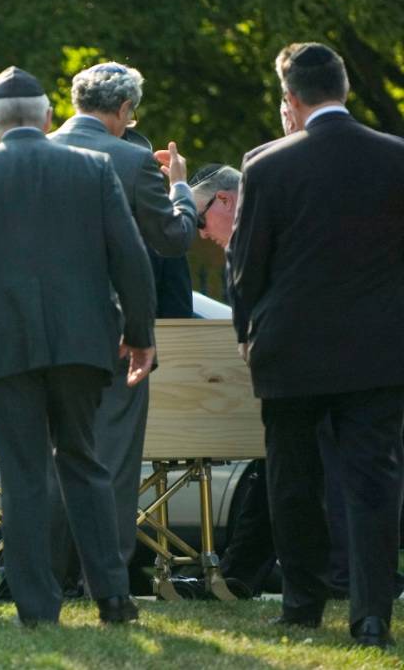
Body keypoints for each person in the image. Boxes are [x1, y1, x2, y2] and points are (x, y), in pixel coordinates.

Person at [0, 66, 155, 626]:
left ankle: (36, 608)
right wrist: (140, 336)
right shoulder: (95, 167)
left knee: (24, 474)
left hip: (3, 349)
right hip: (83, 345)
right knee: (86, 464)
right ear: (48, 118)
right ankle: (113, 596)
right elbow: (131, 258)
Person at [227, 42, 404, 648]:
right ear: (345, 89)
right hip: (379, 350)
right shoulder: (396, 158)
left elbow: (246, 265)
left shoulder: (267, 165)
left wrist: (247, 330)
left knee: (292, 479)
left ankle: (302, 603)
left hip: (292, 346)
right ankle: (372, 612)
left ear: (292, 100)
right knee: (374, 481)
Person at [39, 61, 199, 597]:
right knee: (110, 457)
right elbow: (173, 240)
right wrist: (180, 189)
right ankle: (101, 575)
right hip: (109, 332)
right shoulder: (133, 160)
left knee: (52, 456)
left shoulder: (30, 152)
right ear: (126, 110)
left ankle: (49, 572)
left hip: (36, 333)